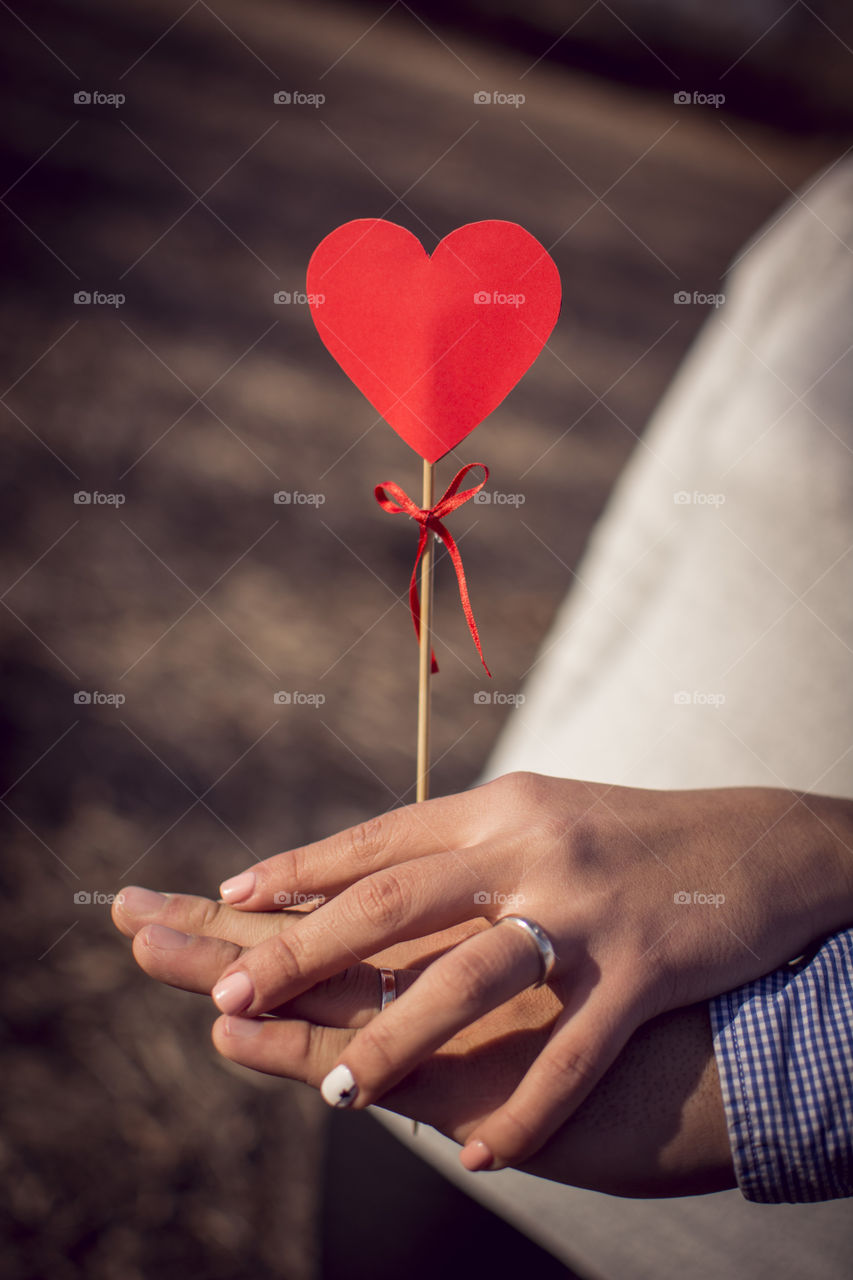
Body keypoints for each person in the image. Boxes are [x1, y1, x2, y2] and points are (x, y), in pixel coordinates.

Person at [113, 157, 853, 1275]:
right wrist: (469, 868)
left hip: (745, 1168)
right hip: (471, 997)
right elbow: (641, 558)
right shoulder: (837, 214)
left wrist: (823, 844)